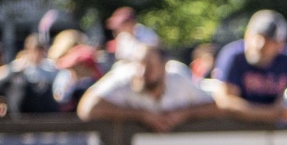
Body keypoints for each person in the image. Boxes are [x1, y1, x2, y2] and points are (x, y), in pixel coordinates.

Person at [77, 36, 218, 132]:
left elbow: (215, 106)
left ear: (164, 66)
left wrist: (184, 114)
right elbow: (87, 108)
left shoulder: (178, 77)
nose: (143, 71)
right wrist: (141, 116)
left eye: (150, 65)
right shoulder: (124, 77)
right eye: (139, 64)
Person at [211, 11, 287, 124]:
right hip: (236, 128)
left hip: (271, 130)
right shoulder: (234, 56)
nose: (261, 45)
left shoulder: (285, 59)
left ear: (280, 45)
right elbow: (225, 102)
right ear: (247, 35)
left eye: (269, 41)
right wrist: (270, 114)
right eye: (258, 37)